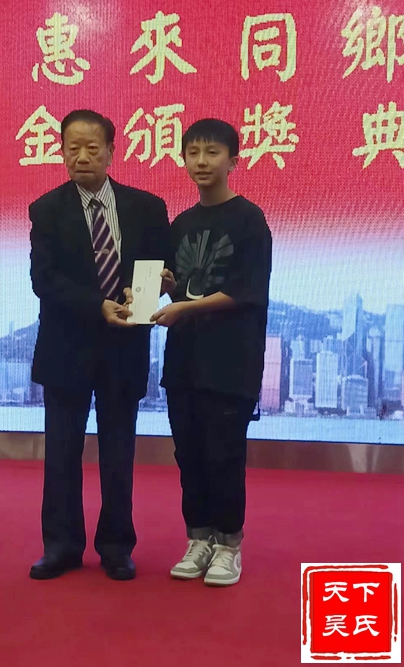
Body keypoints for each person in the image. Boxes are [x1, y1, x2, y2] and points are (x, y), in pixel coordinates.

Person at [29, 109, 172, 581]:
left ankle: (116, 546)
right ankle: (61, 547)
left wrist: (155, 287)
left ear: (112, 151)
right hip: (66, 348)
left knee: (118, 453)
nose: (82, 157)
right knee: (61, 454)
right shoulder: (46, 210)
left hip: (124, 348)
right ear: (61, 151)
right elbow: (44, 280)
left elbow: (162, 269)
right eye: (73, 148)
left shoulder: (147, 207)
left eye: (92, 148)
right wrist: (98, 306)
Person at [151, 118, 272, 586]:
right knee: (190, 455)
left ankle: (229, 546)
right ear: (183, 159)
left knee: (224, 456)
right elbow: (179, 287)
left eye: (212, 152)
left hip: (231, 361)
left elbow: (246, 291)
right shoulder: (181, 224)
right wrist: (166, 286)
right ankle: (198, 539)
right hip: (184, 360)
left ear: (233, 161)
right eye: (193, 153)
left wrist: (184, 306)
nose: (201, 161)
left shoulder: (249, 220)